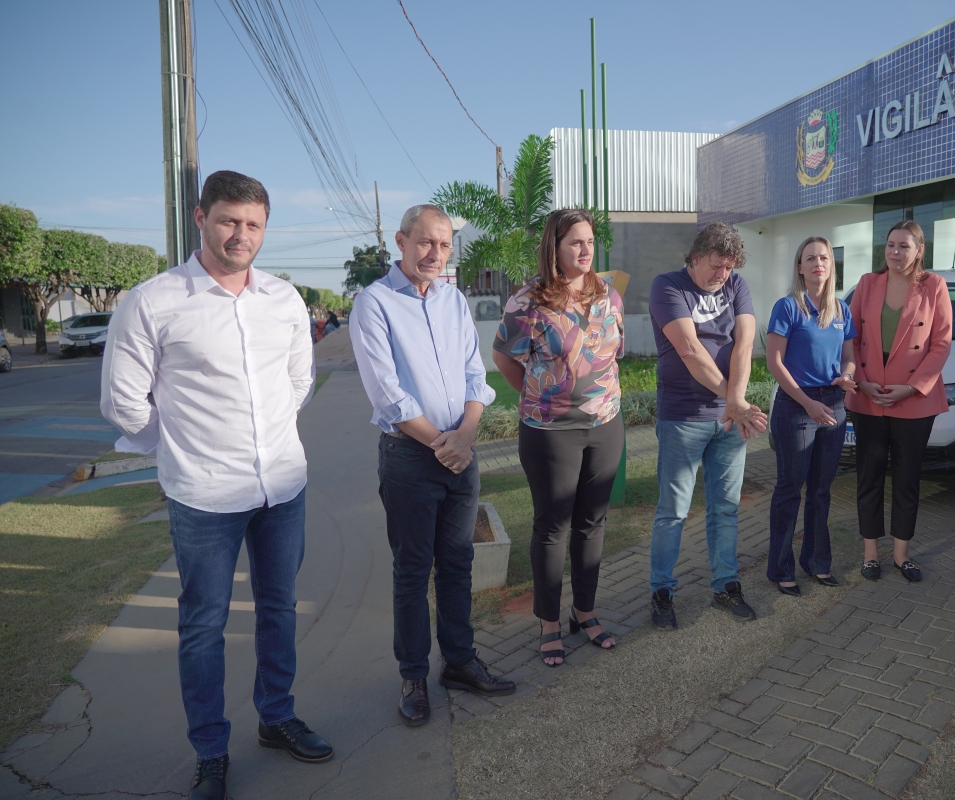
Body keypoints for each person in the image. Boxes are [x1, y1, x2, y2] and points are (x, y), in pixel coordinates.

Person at [100, 171, 333, 800]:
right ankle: (210, 751)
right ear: (201, 217)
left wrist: (269, 437)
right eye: (229, 220)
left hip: (282, 485)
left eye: (254, 224)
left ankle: (277, 716)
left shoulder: (283, 299)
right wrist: (182, 445)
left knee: (279, 607)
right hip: (203, 496)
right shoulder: (152, 301)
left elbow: (298, 382)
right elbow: (124, 402)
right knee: (204, 624)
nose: (241, 234)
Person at [349, 204, 514, 729]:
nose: (435, 254)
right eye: (425, 242)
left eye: (444, 245)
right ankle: (414, 676)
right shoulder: (373, 303)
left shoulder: (453, 300)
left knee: (458, 563)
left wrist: (465, 436)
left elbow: (474, 374)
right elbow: (387, 393)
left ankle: (460, 663)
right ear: (401, 242)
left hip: (460, 452)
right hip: (410, 458)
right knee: (413, 570)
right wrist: (444, 444)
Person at [492, 208, 624, 667]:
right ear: (555, 246)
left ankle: (583, 613)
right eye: (575, 242)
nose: (585, 250)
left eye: (589, 241)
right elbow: (504, 357)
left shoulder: (608, 294)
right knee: (552, 528)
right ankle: (549, 623)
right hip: (550, 433)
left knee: (593, 523)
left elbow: (613, 355)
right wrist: (542, 398)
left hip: (605, 425)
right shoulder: (528, 300)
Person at [647, 222, 768, 628]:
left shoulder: (736, 285)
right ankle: (662, 592)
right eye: (716, 265)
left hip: (729, 421)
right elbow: (689, 350)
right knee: (673, 511)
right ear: (695, 256)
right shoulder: (668, 286)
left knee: (726, 509)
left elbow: (745, 344)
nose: (722, 274)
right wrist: (735, 401)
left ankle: (726, 585)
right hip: (683, 419)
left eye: (729, 267)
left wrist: (735, 403)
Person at [847, 220, 953, 583]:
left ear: (919, 250)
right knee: (869, 476)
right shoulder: (867, 283)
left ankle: (901, 555)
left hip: (914, 398)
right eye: (891, 244)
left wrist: (911, 387)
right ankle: (870, 555)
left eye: (904, 246)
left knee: (907, 478)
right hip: (869, 394)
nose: (895, 251)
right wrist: (861, 381)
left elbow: (941, 343)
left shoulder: (934, 286)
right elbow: (851, 338)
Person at [765, 237, 858, 595]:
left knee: (821, 490)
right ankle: (781, 569)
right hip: (797, 405)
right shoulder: (788, 307)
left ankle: (817, 562)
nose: (818, 263)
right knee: (790, 489)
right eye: (811, 258)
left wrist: (846, 375)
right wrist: (807, 403)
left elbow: (849, 357)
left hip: (833, 402)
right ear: (800, 267)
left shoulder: (841, 310)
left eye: (824, 258)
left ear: (831, 266)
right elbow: (775, 363)